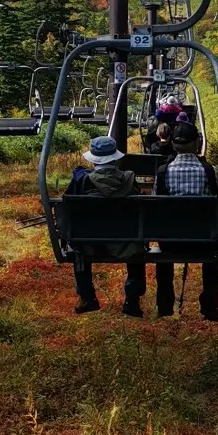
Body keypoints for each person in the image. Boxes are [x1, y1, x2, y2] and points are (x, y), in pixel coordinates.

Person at [64, 135, 148, 316]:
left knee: (78, 242)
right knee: (137, 245)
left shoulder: (83, 181)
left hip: (89, 244)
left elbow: (68, 211)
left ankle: (87, 297)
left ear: (94, 158)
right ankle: (132, 300)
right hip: (126, 243)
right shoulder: (129, 180)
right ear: (115, 157)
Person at [154, 118, 218, 321]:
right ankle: (209, 307)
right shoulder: (209, 171)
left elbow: (157, 201)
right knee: (211, 260)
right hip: (203, 240)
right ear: (196, 144)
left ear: (174, 144)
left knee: (163, 258)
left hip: (170, 242)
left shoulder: (163, 172)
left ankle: (165, 305)